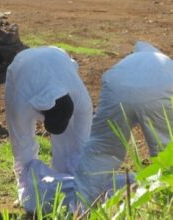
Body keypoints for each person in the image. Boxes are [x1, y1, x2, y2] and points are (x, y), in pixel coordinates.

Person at [74, 41, 173, 205]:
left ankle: (81, 207)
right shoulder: (166, 65)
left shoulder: (130, 62)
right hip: (160, 91)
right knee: (167, 150)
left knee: (102, 148)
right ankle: (165, 202)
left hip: (116, 87)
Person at [5, 46, 93, 212]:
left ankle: (68, 186)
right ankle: (25, 190)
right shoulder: (21, 104)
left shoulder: (82, 103)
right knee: (22, 146)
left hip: (58, 57)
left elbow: (83, 144)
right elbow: (22, 144)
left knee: (73, 148)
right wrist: (26, 188)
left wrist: (83, 181)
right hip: (22, 65)